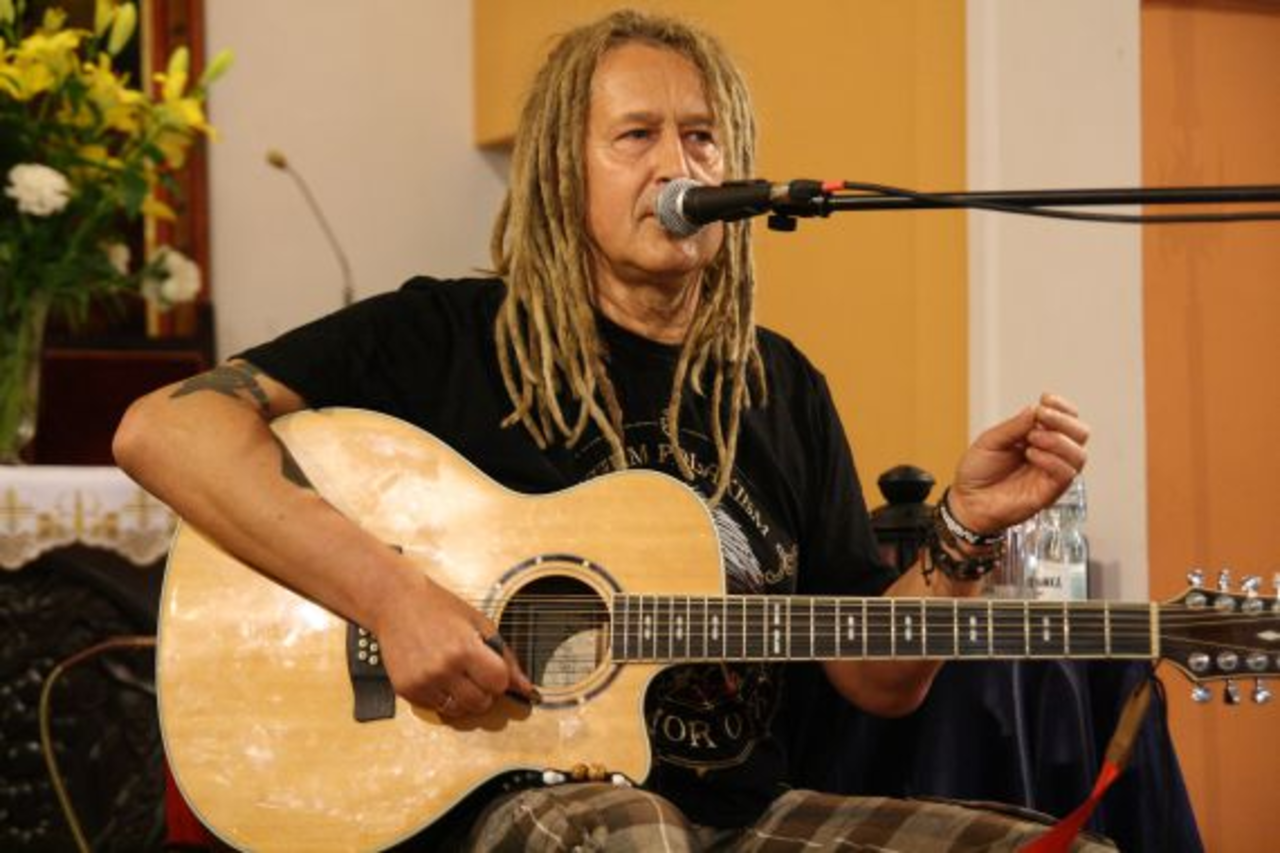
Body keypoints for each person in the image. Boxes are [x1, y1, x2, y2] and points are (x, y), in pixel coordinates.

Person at [115, 9, 1099, 851]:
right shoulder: (445, 338)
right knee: (636, 835)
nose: (679, 164)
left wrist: (963, 531)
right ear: (559, 169)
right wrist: (392, 597)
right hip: (498, 804)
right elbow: (164, 429)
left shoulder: (780, 385)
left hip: (741, 818)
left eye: (703, 137)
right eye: (636, 136)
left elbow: (877, 679)